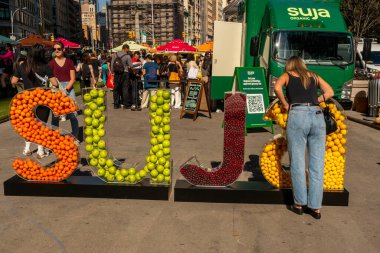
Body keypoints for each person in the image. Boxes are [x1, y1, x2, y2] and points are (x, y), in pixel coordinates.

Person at [274, 56, 334, 219]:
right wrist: (317, 100)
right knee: (317, 163)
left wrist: (286, 104)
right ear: (302, 64)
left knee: (298, 163)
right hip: (317, 114)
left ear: (290, 65)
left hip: (298, 115)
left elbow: (277, 87)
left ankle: (299, 204)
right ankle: (315, 208)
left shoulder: (287, 75)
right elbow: (330, 92)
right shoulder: (313, 75)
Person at [11, 43, 59, 159]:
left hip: (27, 100)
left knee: (29, 125)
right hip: (42, 99)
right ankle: (40, 151)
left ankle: (27, 149)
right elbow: (55, 83)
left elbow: (13, 81)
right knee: (41, 124)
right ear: (41, 54)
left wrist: (24, 83)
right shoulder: (45, 66)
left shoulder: (22, 66)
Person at [48, 41, 79, 139]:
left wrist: (66, 90)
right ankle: (54, 136)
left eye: (59, 49)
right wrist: (58, 90)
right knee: (55, 115)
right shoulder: (51, 63)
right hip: (56, 89)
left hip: (68, 88)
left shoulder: (69, 62)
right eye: (55, 49)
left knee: (72, 114)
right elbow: (50, 78)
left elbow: (72, 78)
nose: (56, 51)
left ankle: (75, 136)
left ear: (63, 50)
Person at [110, 44, 133, 109]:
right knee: (125, 88)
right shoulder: (127, 56)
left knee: (116, 89)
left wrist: (112, 72)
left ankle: (116, 104)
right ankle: (126, 104)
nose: (128, 51)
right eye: (128, 49)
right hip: (125, 73)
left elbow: (112, 64)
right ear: (125, 48)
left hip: (117, 74)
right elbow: (131, 65)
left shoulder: (115, 54)